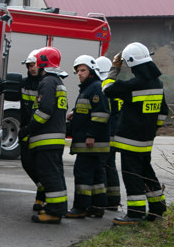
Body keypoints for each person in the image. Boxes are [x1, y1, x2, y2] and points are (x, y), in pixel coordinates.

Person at [102, 42, 168, 225]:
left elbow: (107, 89)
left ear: (131, 63)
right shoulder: (158, 83)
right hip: (146, 141)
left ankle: (135, 214)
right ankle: (157, 209)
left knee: (132, 176)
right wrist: (152, 129)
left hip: (129, 141)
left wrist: (114, 68)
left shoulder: (133, 84)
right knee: (147, 173)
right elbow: (163, 112)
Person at [65, 55, 110, 218]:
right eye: (77, 71)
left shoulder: (96, 87)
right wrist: (75, 113)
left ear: (91, 71)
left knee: (83, 174)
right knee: (96, 176)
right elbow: (88, 110)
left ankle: (80, 208)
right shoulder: (88, 88)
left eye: (83, 70)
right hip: (92, 143)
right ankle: (97, 207)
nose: (79, 73)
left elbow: (100, 114)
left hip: (90, 143)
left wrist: (91, 135)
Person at [28, 47, 68, 224]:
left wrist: (29, 128)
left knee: (50, 175)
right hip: (55, 138)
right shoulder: (57, 81)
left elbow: (44, 111)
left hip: (46, 138)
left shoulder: (47, 82)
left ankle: (54, 211)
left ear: (43, 62)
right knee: (55, 174)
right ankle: (56, 208)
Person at [95, 55, 122, 210]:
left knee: (102, 166)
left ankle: (103, 200)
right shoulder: (117, 87)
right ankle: (114, 200)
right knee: (110, 166)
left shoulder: (103, 87)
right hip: (116, 134)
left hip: (106, 133)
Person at [18, 49, 44, 211]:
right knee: (27, 162)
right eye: (29, 66)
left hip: (40, 129)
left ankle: (41, 197)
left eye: (34, 65)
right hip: (26, 129)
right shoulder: (24, 83)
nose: (31, 68)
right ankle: (42, 187)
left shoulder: (46, 83)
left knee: (41, 165)